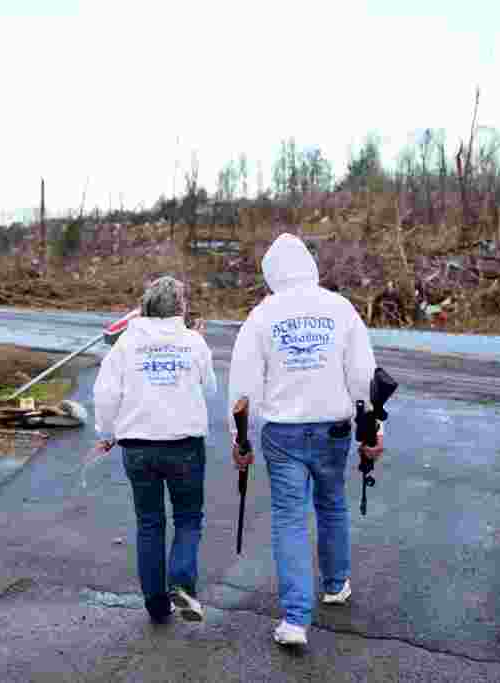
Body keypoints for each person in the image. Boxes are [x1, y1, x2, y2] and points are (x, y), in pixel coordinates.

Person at [228, 233, 384, 647]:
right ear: (309, 267)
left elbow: (243, 388)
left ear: (271, 274)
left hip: (283, 433)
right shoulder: (340, 308)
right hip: (334, 428)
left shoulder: (262, 316)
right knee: (332, 504)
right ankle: (335, 584)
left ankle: (295, 619)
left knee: (289, 518)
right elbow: (364, 377)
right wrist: (374, 432)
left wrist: (239, 440)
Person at [93, 276, 217, 624]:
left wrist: (107, 432)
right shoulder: (193, 342)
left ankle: (156, 604)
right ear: (181, 307)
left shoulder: (126, 343)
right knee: (188, 518)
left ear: (146, 307)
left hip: (137, 445)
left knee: (149, 523)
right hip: (184, 444)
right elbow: (209, 389)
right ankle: (181, 582)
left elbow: (105, 393)